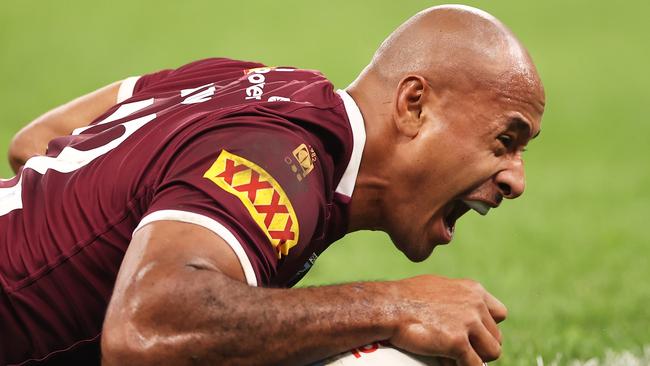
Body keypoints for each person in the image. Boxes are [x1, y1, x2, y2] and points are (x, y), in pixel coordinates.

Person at [0, 4, 544, 366]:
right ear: (414, 105)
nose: (516, 178)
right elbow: (145, 324)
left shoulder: (249, 80)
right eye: (505, 140)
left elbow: (36, 141)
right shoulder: (283, 162)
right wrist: (396, 304)